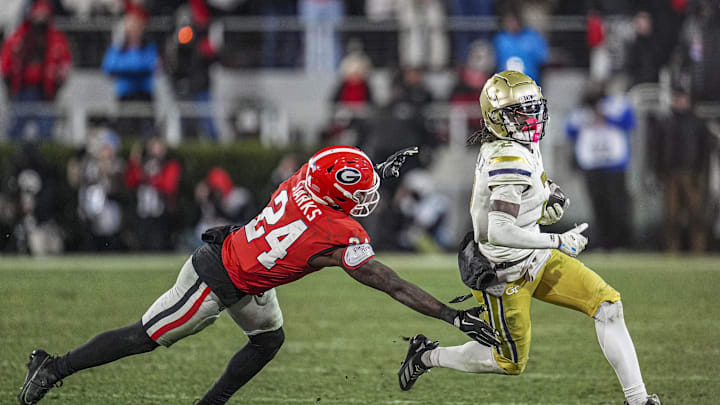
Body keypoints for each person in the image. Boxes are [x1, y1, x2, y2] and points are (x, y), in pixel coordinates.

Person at [18, 145, 500, 405]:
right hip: (217, 277)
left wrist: (373, 171)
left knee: (268, 340)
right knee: (146, 336)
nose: (367, 201)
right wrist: (450, 318)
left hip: (249, 271)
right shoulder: (336, 232)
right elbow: (391, 282)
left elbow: (333, 184)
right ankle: (53, 367)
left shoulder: (301, 180)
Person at [396, 71, 661, 405]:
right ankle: (426, 356)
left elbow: (529, 190)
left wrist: (547, 199)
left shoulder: (520, 143)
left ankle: (638, 401)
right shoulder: (506, 156)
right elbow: (499, 230)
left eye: (534, 107)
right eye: (521, 111)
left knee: (608, 305)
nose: (532, 117)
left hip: (533, 255)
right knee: (508, 362)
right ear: (498, 118)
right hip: (503, 270)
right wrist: (558, 241)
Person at [565, 81, 635, 250]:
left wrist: (606, 117)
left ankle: (622, 242)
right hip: (592, 164)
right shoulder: (581, 111)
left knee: (617, 204)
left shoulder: (617, 105)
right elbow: (569, 129)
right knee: (598, 204)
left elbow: (629, 122)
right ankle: (604, 242)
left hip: (613, 163)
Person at [0, 0, 71, 140]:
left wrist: (56, 86)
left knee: (46, 132)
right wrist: (9, 86)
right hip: (21, 91)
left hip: (46, 93)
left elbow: (64, 65)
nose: (41, 16)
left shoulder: (56, 39)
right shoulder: (19, 37)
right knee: (15, 132)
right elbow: (6, 63)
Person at [492, 6, 548, 83]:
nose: (510, 24)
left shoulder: (533, 37)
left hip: (530, 82)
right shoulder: (500, 39)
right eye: (507, 21)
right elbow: (494, 60)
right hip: (506, 84)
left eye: (512, 21)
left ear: (519, 21)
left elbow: (542, 59)